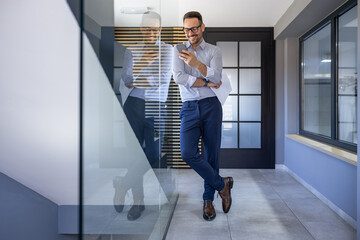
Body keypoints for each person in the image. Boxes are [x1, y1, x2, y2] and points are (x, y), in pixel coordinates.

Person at [173, 11, 233, 221]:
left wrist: (196, 64)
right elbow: (179, 77)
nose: (190, 33)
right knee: (188, 153)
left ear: (202, 27)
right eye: (187, 29)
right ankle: (221, 184)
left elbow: (217, 75)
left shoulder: (214, 51)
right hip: (189, 107)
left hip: (211, 106)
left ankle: (208, 200)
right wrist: (206, 82)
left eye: (194, 28)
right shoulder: (177, 50)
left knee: (211, 154)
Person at [113, 11, 173, 221]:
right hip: (134, 106)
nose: (151, 32)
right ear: (141, 28)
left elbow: (161, 79)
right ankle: (138, 202)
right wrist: (143, 63)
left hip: (156, 107)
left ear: (160, 29)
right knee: (134, 155)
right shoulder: (132, 50)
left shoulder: (168, 50)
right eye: (147, 28)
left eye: (155, 29)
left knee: (154, 153)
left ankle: (123, 184)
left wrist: (138, 77)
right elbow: (127, 78)